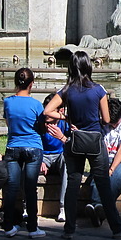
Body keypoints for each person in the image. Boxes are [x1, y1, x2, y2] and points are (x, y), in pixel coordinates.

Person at [43, 51, 121, 240]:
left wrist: (66, 116)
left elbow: (47, 110)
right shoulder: (98, 90)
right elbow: (105, 118)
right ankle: (117, 229)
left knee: (72, 183)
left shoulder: (67, 90)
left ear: (71, 67)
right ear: (89, 66)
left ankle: (69, 229)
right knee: (103, 185)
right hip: (95, 142)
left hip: (74, 141)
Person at [2, 68, 45, 239]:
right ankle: (33, 228)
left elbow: (8, 122)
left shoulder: (8, 102)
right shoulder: (36, 104)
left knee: (12, 187)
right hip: (33, 147)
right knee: (30, 188)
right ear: (32, 84)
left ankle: (8, 225)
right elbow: (41, 128)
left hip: (13, 147)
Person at [85, 97, 121, 227]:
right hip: (104, 160)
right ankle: (99, 209)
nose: (112, 125)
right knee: (99, 175)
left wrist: (111, 169)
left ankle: (96, 205)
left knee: (111, 179)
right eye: (110, 122)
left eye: (115, 123)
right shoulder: (101, 122)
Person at [40, 93, 69, 223]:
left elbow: (72, 145)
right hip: (43, 156)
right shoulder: (39, 123)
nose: (47, 116)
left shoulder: (65, 123)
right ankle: (26, 207)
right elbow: (33, 144)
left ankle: (63, 207)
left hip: (59, 156)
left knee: (67, 164)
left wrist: (62, 137)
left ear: (60, 111)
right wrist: (39, 158)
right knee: (29, 165)